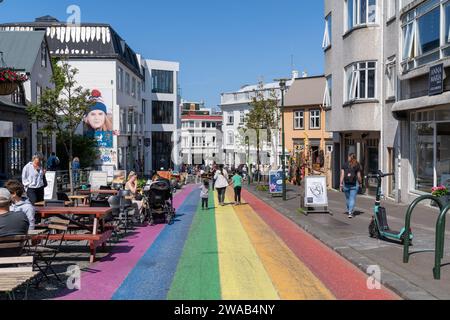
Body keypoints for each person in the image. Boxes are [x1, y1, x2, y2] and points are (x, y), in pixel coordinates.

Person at [340, 153, 363, 219]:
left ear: (349, 157)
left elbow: (342, 175)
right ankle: (350, 212)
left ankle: (349, 210)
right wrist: (360, 183)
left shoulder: (344, 164)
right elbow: (359, 176)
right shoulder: (357, 165)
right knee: (352, 198)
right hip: (354, 184)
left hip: (346, 184)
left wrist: (341, 184)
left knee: (348, 199)